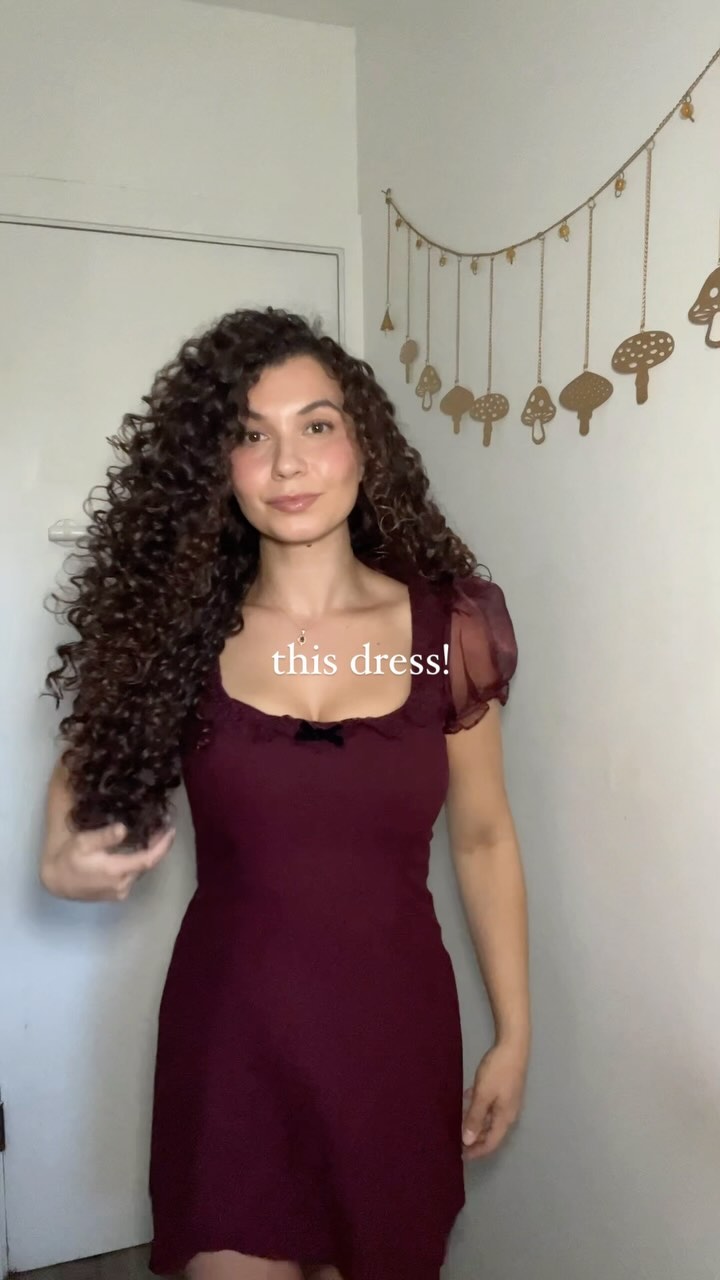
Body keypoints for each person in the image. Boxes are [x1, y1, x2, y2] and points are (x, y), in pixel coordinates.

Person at [38, 308, 530, 1280]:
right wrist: (60, 856)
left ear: (363, 444)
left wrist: (514, 1034)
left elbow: (483, 837)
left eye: (316, 424)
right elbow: (79, 775)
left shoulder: (447, 628)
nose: (288, 463)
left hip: (393, 1035)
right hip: (233, 1039)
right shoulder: (178, 631)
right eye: (250, 434)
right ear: (216, 466)